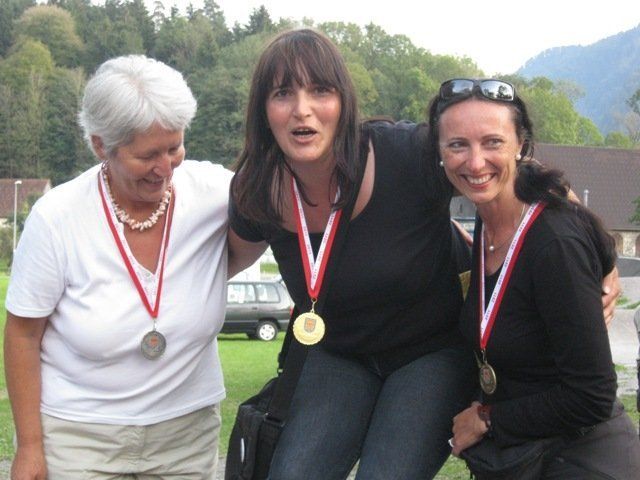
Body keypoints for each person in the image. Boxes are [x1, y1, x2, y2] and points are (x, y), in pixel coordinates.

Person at [226, 28, 618, 479]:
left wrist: (603, 260)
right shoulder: (254, 191)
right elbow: (225, 260)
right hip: (341, 354)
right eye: (282, 93)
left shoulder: (404, 153)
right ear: (263, 109)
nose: (302, 109)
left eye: (320, 90)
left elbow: (518, 172)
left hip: (431, 351)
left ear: (344, 102)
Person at [4, 55, 240, 479]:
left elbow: (279, 207)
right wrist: (30, 447)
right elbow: (23, 334)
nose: (165, 168)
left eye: (174, 147)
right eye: (147, 155)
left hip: (185, 436)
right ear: (101, 146)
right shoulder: (57, 217)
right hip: (80, 438)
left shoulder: (215, 193)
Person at [427, 78, 640, 477]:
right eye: (457, 145)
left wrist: (487, 418)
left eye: (492, 142)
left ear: (520, 145)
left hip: (584, 461)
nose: (475, 163)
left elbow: (592, 396)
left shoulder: (554, 244)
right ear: (439, 152)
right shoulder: (488, 217)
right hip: (529, 457)